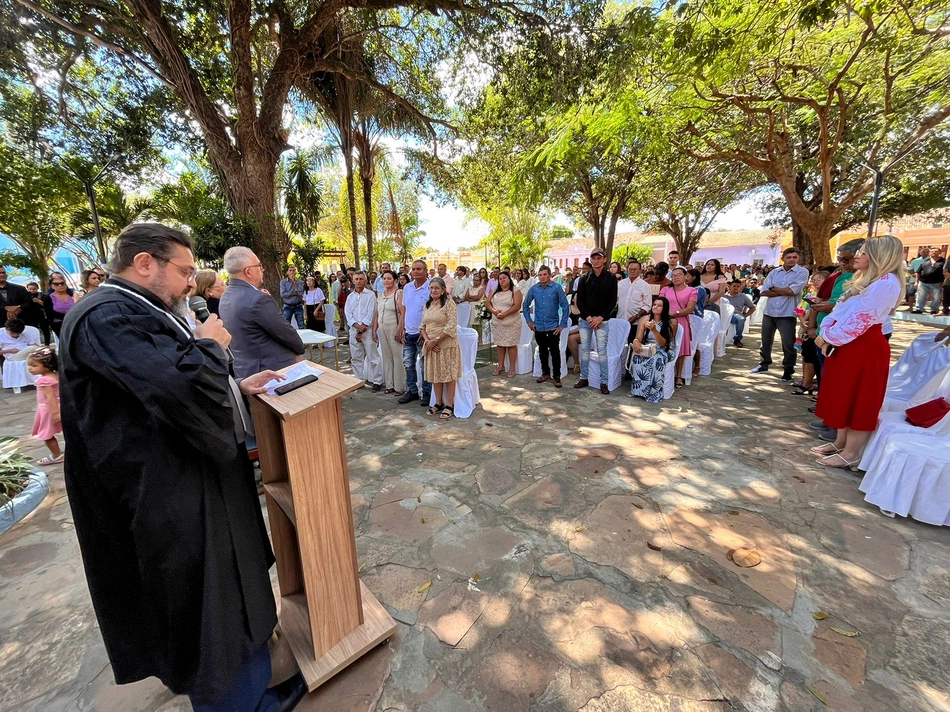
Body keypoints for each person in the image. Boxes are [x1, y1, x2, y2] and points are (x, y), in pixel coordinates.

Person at [58, 223, 306, 712]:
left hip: (192, 482)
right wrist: (211, 346)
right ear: (144, 262)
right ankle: (240, 704)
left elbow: (168, 392)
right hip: (168, 498)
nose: (190, 283)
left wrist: (238, 387)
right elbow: (176, 390)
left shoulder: (143, 309)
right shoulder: (105, 317)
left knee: (229, 596)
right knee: (207, 610)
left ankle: (252, 689)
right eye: (184, 271)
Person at [812, 236, 904, 470]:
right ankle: (841, 442)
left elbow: (860, 320)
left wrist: (828, 337)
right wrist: (826, 332)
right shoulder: (866, 280)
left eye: (863, 252)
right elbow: (840, 310)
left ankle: (851, 453)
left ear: (878, 256)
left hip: (863, 346)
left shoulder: (886, 283)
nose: (857, 256)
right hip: (846, 343)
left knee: (859, 398)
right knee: (844, 394)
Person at [219, 247, 305, 379]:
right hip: (272, 373)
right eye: (259, 266)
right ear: (248, 272)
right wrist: (300, 348)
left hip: (245, 371)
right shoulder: (258, 299)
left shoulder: (226, 296)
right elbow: (284, 332)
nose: (262, 269)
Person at [751, 248, 809, 381]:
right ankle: (763, 364)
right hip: (770, 311)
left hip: (787, 312)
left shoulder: (802, 272)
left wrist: (775, 289)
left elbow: (793, 291)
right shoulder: (774, 272)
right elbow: (764, 291)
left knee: (788, 343)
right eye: (789, 257)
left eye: (795, 257)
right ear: (783, 258)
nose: (792, 260)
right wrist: (784, 290)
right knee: (766, 341)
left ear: (798, 258)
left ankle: (788, 369)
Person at [574, 247, 618, 394]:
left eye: (599, 258)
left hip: (602, 320)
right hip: (586, 320)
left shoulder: (611, 278)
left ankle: (604, 382)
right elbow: (579, 301)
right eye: (594, 258)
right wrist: (588, 317)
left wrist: (600, 318)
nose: (596, 261)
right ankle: (583, 378)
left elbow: (612, 302)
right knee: (585, 350)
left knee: (602, 352)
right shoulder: (583, 278)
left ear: (604, 259)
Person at [420, 277, 461, 419]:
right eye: (431, 288)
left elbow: (451, 326)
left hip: (446, 345)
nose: (433, 290)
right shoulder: (427, 305)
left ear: (443, 290)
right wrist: (428, 341)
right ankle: (438, 403)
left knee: (448, 375)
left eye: (436, 288)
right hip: (431, 346)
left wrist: (436, 340)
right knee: (435, 375)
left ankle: (449, 404)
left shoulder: (449, 304)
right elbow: (422, 326)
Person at [523, 265, 569, 388]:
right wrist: (529, 321)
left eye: (545, 274)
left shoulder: (557, 288)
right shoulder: (534, 289)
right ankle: (545, 373)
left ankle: (557, 376)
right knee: (542, 351)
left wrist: (562, 325)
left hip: (553, 327)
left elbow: (565, 306)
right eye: (540, 275)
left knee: (555, 352)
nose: (542, 277)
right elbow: (525, 305)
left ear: (549, 275)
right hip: (538, 326)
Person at [627, 296, 678, 404]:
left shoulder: (671, 322)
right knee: (637, 357)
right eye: (654, 305)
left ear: (665, 308)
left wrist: (654, 330)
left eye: (659, 306)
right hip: (648, 347)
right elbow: (639, 337)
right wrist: (636, 342)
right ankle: (637, 390)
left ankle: (652, 392)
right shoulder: (645, 319)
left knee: (656, 360)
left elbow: (665, 343)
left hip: (664, 350)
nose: (656, 307)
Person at [397, 260, 431, 405]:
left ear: (425, 271)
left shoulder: (431, 287)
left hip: (423, 334)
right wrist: (401, 328)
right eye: (413, 269)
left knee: (424, 365)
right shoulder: (407, 287)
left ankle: (427, 392)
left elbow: (433, 312)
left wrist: (426, 333)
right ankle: (412, 391)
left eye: (419, 269)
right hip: (408, 332)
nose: (415, 272)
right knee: (408, 364)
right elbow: (404, 309)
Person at [660, 267, 698, 389]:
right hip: (665, 320)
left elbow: (690, 309)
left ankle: (679, 376)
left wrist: (674, 313)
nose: (676, 277)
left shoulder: (692, 291)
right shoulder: (666, 289)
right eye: (674, 275)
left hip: (681, 321)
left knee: (680, 348)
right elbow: (660, 303)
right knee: (663, 344)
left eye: (679, 275)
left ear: (685, 276)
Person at [345, 271, 383, 390]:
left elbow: (372, 312)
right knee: (356, 356)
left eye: (361, 279)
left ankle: (377, 380)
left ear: (365, 281)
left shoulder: (371, 295)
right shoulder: (350, 297)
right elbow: (348, 313)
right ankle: (358, 380)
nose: (358, 281)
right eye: (356, 279)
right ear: (353, 281)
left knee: (373, 356)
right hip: (354, 329)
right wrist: (356, 326)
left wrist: (363, 327)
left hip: (367, 329)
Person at [27, 346, 64, 465]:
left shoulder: (44, 381)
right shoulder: (56, 375)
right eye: (29, 365)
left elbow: (50, 398)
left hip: (48, 410)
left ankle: (57, 455)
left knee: (46, 435)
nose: (30, 368)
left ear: (47, 366)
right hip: (60, 406)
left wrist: (55, 414)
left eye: (34, 365)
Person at [374, 270, 406, 396]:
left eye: (389, 278)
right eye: (384, 278)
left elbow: (403, 312)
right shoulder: (381, 295)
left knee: (397, 357)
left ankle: (399, 386)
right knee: (386, 357)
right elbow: (377, 313)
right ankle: (389, 384)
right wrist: (374, 330)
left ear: (395, 280)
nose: (386, 281)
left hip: (394, 327)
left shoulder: (398, 293)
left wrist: (400, 329)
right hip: (382, 328)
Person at [488, 271, 522, 378]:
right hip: (498, 322)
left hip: (512, 322)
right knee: (500, 344)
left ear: (509, 279)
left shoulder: (515, 291)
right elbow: (487, 302)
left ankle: (512, 369)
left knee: (511, 344)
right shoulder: (494, 290)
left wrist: (505, 314)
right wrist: (494, 311)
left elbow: (517, 306)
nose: (502, 280)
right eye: (500, 278)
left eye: (504, 278)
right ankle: (500, 366)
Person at [617, 259, 653, 343]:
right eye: (630, 269)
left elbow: (647, 305)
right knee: (620, 345)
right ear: (627, 270)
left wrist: (636, 316)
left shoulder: (645, 286)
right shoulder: (620, 284)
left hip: (636, 323)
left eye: (635, 269)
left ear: (640, 271)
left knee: (633, 345)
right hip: (621, 320)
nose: (632, 271)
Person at [723, 280, 755, 347]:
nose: (736, 288)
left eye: (738, 286)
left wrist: (745, 315)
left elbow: (752, 307)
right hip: (724, 315)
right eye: (734, 286)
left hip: (735, 315)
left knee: (741, 319)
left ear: (740, 287)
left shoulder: (743, 297)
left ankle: (737, 339)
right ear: (730, 287)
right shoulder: (724, 296)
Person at [44, 273, 77, 338]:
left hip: (76, 322)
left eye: (62, 283)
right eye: (56, 284)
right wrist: (67, 317)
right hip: (59, 325)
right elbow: (50, 314)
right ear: (51, 286)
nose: (60, 285)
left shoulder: (73, 295)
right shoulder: (48, 298)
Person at [913, 247, 945, 314]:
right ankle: (919, 309)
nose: (933, 252)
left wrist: (943, 282)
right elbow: (918, 272)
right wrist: (916, 282)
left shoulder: (943, 262)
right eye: (932, 251)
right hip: (923, 282)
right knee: (920, 297)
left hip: (937, 283)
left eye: (936, 251)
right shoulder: (925, 261)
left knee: (936, 298)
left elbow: (946, 272)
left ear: (940, 252)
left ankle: (934, 310)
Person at [0, 265, 30, 329]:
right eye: (0, 273)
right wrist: (5, 308)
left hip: (19, 325)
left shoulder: (19, 289)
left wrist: (18, 308)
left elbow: (28, 302)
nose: (2, 275)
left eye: (3, 272)